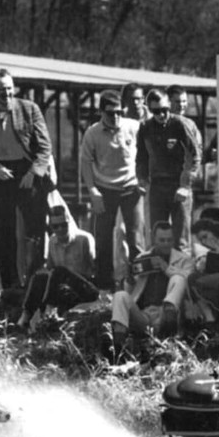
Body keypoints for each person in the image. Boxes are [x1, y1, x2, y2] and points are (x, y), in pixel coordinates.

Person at [0, 68, 53, 289]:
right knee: (5, 233)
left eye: (10, 89)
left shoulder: (29, 109)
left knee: (34, 232)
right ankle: (10, 286)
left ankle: (35, 281)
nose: (7, 94)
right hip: (3, 174)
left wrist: (33, 172)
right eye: (2, 90)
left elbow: (45, 147)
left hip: (28, 171)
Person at [80, 89, 144, 290]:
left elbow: (147, 153)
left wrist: (144, 179)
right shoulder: (92, 133)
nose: (115, 117)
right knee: (103, 239)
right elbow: (85, 162)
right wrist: (92, 190)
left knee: (136, 239)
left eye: (119, 112)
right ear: (101, 112)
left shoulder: (133, 127)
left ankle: (139, 284)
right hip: (105, 189)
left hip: (131, 188)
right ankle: (104, 286)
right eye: (110, 113)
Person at [107, 221, 194, 359]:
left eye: (169, 240)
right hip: (144, 315)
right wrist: (129, 280)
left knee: (178, 278)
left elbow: (189, 281)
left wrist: (166, 268)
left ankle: (169, 343)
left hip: (168, 314)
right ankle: (119, 349)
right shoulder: (142, 258)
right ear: (154, 239)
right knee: (120, 295)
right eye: (162, 240)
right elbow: (131, 291)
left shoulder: (184, 259)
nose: (166, 244)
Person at [136, 89, 200, 252]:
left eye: (165, 110)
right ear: (150, 110)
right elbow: (141, 157)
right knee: (157, 238)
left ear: (169, 106)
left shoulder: (179, 124)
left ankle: (181, 268)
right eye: (156, 111)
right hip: (157, 187)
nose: (161, 115)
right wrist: (142, 180)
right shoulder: (145, 127)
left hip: (178, 185)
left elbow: (195, 156)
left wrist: (185, 185)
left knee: (181, 241)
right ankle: (158, 267)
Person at [16, 205, 100, 329]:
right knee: (40, 276)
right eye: (56, 226)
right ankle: (25, 318)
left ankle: (49, 310)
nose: (60, 229)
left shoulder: (84, 239)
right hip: (64, 289)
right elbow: (50, 269)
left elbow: (95, 269)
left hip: (84, 286)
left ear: (69, 222)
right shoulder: (52, 241)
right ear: (51, 227)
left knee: (60, 271)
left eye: (63, 225)